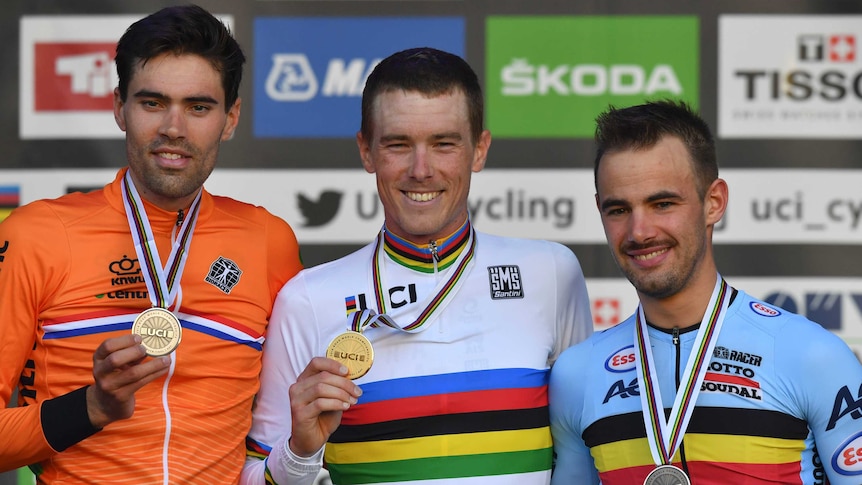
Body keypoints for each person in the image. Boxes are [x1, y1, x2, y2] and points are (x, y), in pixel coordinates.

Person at [240, 47, 593, 485]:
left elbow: (582, 458)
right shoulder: (308, 299)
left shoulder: (552, 274)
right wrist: (300, 451)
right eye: (398, 144)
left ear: (478, 151)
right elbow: (253, 474)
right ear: (366, 152)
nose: (420, 170)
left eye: (443, 143)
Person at [0, 5, 303, 483]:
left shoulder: (269, 240)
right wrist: (92, 407)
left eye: (199, 107)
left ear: (230, 118)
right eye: (152, 102)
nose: (174, 129)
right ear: (119, 106)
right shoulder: (36, 234)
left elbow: (278, 432)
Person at [549, 100, 862, 484]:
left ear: (713, 203)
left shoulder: (812, 356)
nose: (639, 232)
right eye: (618, 210)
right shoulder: (577, 375)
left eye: (662, 203)